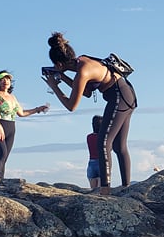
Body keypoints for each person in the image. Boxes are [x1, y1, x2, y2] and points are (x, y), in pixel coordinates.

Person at [44, 32, 136, 194]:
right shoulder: (83, 60)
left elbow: (71, 106)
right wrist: (63, 77)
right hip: (125, 93)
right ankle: (126, 187)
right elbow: (86, 92)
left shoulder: (83, 71)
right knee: (118, 145)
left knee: (103, 142)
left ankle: (105, 190)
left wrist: (54, 86)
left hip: (119, 96)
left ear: (58, 64)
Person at [0, 70, 49, 184]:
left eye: (8, 79)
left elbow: (21, 113)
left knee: (5, 156)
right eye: (3, 79)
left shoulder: (12, 97)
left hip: (11, 127)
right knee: (2, 152)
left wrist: (37, 109)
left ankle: (1, 180)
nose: (6, 81)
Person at [85, 115, 103, 190]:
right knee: (100, 189)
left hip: (91, 162)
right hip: (101, 162)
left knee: (93, 189)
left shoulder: (89, 137)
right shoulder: (103, 137)